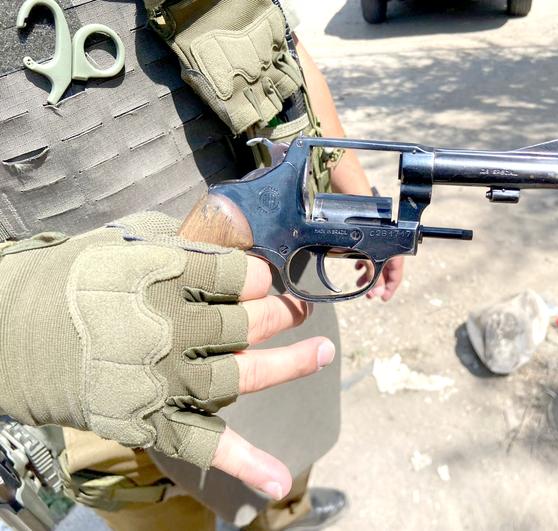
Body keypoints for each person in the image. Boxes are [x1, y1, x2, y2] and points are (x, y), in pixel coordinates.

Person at [0, 0, 403, 529]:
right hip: (82, 367)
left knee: (288, 453)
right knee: (159, 506)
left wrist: (358, 205)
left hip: (268, 278)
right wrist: (24, 335)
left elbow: (280, 49)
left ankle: (286, 514)